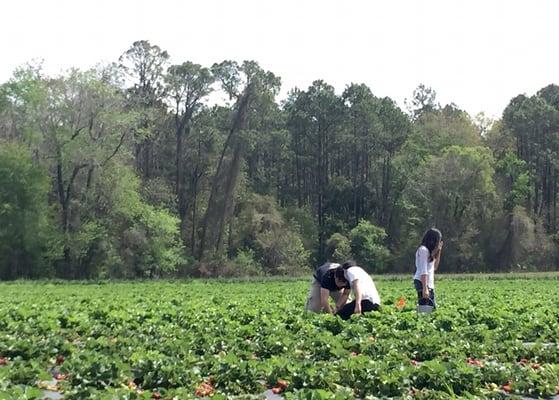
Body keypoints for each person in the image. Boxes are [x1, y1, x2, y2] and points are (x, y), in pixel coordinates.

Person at [413, 228, 443, 308]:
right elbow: (424, 270)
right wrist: (425, 288)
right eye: (438, 241)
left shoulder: (429, 253)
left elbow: (434, 267)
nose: (438, 243)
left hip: (428, 283)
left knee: (431, 309)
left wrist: (439, 251)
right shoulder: (423, 250)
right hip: (422, 282)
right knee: (425, 309)